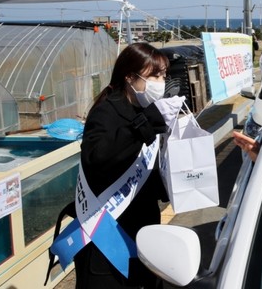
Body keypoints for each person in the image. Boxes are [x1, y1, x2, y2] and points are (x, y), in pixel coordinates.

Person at [74, 43, 184, 289]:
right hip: (108, 232)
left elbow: (147, 169)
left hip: (143, 228)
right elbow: (97, 159)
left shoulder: (143, 109)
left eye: (164, 74)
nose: (161, 81)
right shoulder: (106, 111)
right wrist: (146, 124)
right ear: (129, 77)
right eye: (154, 75)